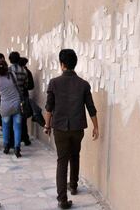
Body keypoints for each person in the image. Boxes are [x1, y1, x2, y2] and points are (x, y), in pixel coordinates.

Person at [44, 49, 99, 209]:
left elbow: (48, 108)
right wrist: (96, 126)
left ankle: (62, 199)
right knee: (75, 155)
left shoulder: (54, 83)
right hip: (77, 128)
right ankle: (73, 185)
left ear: (62, 65)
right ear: (75, 64)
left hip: (60, 128)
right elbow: (91, 108)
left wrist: (47, 125)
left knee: (62, 161)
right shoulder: (83, 84)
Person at [0, 59, 22, 158]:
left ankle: (6, 146)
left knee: (5, 127)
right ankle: (17, 148)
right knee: (17, 128)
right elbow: (17, 85)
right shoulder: (12, 75)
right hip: (16, 104)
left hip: (5, 106)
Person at [9, 52, 32, 146]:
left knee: (10, 121)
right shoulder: (24, 71)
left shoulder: (8, 70)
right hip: (21, 97)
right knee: (21, 120)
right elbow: (26, 85)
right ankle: (22, 141)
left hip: (10, 98)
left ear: (10, 59)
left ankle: (11, 142)